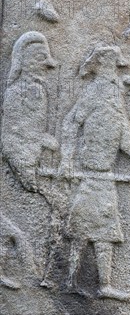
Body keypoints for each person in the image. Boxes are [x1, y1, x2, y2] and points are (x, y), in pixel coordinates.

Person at [59, 46, 130, 301]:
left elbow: (122, 135)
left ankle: (102, 285)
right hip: (94, 172)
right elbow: (71, 122)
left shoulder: (113, 92)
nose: (117, 73)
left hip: (104, 173)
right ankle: (72, 280)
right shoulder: (97, 90)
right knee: (84, 229)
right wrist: (66, 161)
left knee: (104, 230)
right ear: (104, 65)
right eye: (115, 66)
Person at [1, 31, 63, 288]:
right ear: (24, 61)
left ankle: (44, 272)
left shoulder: (38, 89)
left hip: (32, 162)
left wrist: (42, 139)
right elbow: (13, 132)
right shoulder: (20, 91)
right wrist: (38, 143)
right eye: (38, 58)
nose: (43, 64)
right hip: (21, 164)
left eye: (44, 59)